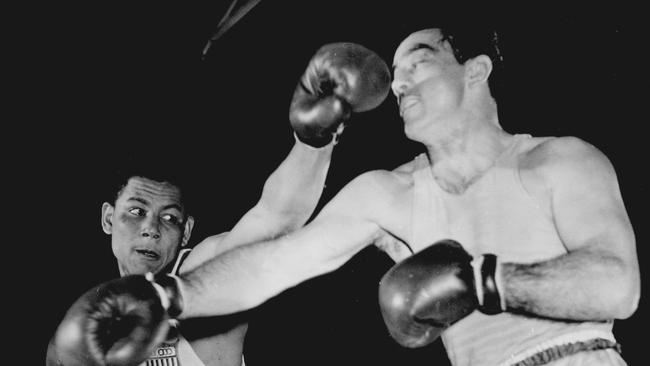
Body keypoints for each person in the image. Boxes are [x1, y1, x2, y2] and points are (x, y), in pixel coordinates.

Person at [49, 27, 639, 366]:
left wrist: (487, 281)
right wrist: (172, 295)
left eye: (420, 60)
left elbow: (619, 285)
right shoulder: (390, 192)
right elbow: (278, 257)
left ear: (476, 69)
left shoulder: (560, 159)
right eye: (396, 70)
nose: (399, 80)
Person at [45, 42, 391, 366]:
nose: (151, 228)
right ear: (108, 218)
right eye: (136, 212)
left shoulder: (204, 280)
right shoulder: (86, 321)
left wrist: (314, 141)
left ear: (186, 231)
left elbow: (274, 219)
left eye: (169, 218)